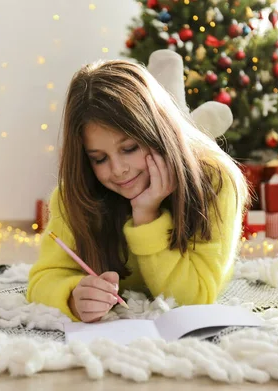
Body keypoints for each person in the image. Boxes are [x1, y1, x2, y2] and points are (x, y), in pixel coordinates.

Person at [26, 59, 250, 323]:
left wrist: (147, 215)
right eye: (99, 158)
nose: (118, 170)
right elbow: (42, 280)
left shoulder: (214, 182)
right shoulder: (75, 195)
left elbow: (193, 299)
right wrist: (73, 295)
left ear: (158, 134)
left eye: (129, 148)